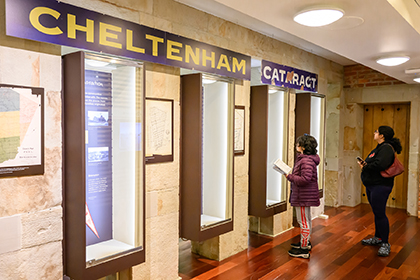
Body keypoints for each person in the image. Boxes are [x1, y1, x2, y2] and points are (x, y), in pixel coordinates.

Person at [358, 125, 402, 257]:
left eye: (376, 131)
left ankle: (385, 243)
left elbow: (380, 165)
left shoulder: (386, 148)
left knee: (380, 213)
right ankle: (378, 238)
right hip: (372, 185)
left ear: (382, 135)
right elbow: (374, 162)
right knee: (377, 213)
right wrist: (365, 165)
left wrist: (366, 166)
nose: (374, 133)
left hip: (380, 186)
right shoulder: (379, 148)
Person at [285, 134, 320, 259]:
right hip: (304, 195)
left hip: (303, 196)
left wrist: (289, 176)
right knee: (306, 219)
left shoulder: (305, 160)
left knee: (303, 221)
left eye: (298, 144)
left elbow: (305, 179)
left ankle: (304, 248)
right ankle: (305, 242)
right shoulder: (308, 159)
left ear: (303, 147)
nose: (296, 146)